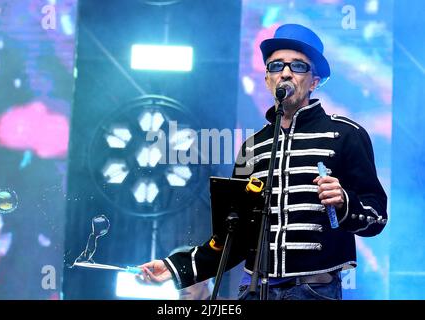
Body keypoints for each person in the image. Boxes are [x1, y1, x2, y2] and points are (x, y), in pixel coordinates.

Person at [139, 23, 388, 300]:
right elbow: (232, 235)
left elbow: (377, 217)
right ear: (267, 78)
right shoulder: (252, 146)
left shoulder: (346, 134)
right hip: (254, 289)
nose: (285, 73)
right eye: (276, 65)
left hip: (314, 290)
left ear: (315, 81)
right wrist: (176, 268)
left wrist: (344, 200)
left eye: (298, 66)